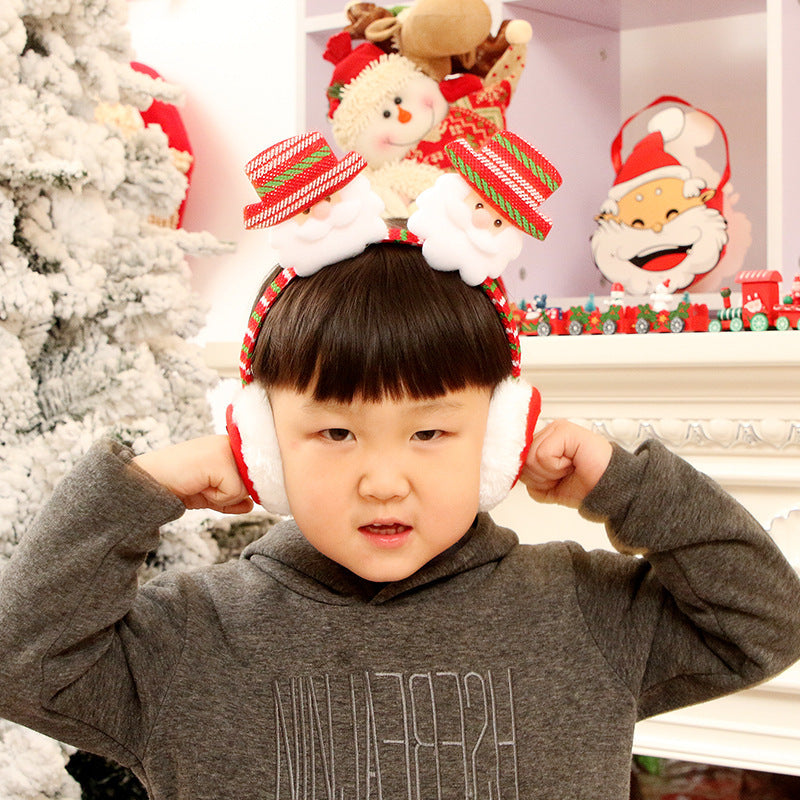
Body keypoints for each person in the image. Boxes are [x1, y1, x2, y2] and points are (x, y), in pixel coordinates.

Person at [2, 135, 800, 800]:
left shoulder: (585, 612)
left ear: (501, 437)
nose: (384, 482)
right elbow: (19, 660)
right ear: (260, 444)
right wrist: (137, 492)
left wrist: (631, 484)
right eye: (335, 433)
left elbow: (767, 622)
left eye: (429, 433)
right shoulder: (190, 637)